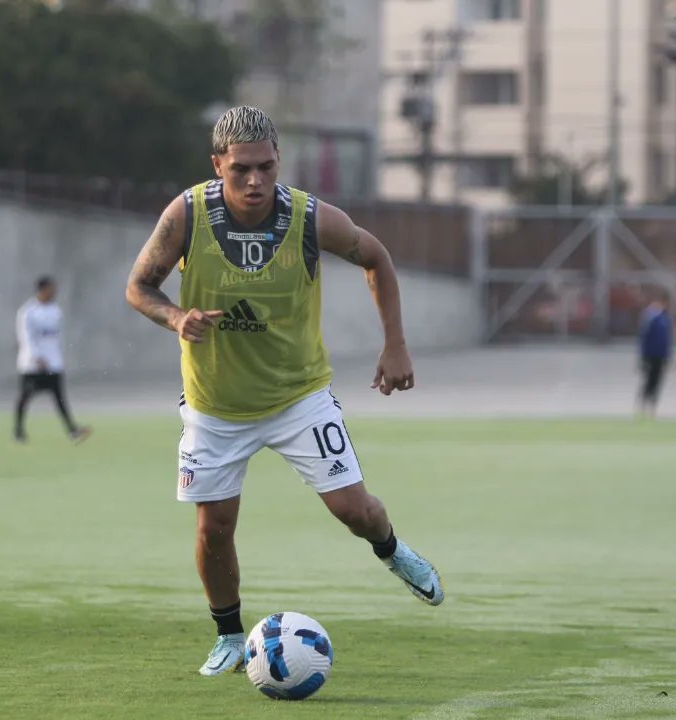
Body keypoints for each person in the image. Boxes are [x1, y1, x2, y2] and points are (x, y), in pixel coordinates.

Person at [124, 106, 444, 677]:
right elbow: (139, 286)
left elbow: (377, 257)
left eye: (267, 167)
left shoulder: (309, 219)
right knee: (214, 528)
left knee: (354, 510)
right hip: (214, 406)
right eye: (241, 169)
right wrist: (175, 318)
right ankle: (227, 634)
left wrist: (395, 344)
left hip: (299, 397)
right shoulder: (188, 216)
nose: (255, 181)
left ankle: (394, 551)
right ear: (217, 164)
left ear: (279, 162)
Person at [14, 275, 90, 444]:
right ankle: (18, 431)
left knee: (60, 398)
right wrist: (37, 357)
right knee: (25, 397)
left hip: (53, 363)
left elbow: (57, 338)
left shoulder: (55, 310)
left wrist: (56, 358)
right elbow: (26, 337)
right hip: (32, 365)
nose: (54, 291)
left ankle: (72, 431)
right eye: (51, 288)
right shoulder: (28, 311)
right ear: (42, 289)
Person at [637, 291, 673, 419]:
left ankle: (652, 407)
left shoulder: (665, 318)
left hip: (660, 356)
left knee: (657, 383)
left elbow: (667, 341)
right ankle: (643, 406)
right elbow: (643, 338)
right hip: (650, 355)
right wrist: (642, 357)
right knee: (648, 382)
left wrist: (668, 358)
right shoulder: (651, 317)